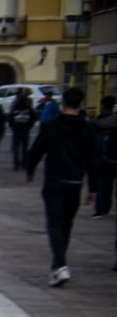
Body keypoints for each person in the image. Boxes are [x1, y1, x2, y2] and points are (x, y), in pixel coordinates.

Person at [25, 87, 97, 287]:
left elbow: (36, 151)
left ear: (62, 103)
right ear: (81, 104)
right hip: (75, 182)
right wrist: (93, 188)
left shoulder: (51, 126)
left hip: (55, 180)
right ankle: (58, 266)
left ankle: (60, 265)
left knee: (54, 224)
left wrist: (30, 170)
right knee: (66, 225)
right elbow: (93, 160)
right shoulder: (88, 129)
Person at [8, 93, 35, 170]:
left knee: (16, 148)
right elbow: (33, 118)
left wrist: (13, 126)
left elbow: (10, 118)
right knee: (25, 148)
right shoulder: (28, 109)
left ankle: (16, 164)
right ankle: (24, 164)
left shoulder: (15, 108)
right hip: (25, 130)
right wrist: (29, 126)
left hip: (17, 130)